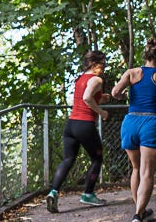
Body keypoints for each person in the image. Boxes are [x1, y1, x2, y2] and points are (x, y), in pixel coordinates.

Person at [109, 38, 156, 222]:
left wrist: (122, 96)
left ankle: (141, 211)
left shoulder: (131, 73)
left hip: (130, 122)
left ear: (146, 55)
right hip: (150, 122)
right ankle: (138, 215)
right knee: (147, 172)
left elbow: (115, 92)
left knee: (136, 168)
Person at [46, 51, 111, 213]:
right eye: (102, 64)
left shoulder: (81, 78)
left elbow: (88, 96)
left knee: (68, 159)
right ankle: (88, 194)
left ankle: (53, 192)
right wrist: (101, 112)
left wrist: (103, 98)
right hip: (85, 125)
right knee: (97, 158)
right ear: (94, 64)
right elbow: (87, 98)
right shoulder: (96, 79)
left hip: (71, 125)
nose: (103, 68)